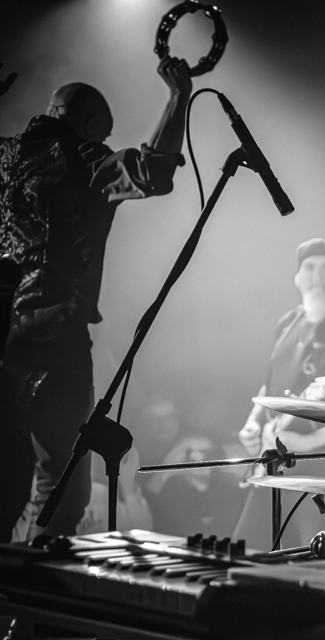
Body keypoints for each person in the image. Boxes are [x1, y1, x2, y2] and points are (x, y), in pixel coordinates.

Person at [1, 58, 191, 542]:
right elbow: (154, 171)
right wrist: (178, 97)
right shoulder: (82, 160)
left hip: (4, 338)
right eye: (103, 134)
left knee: (7, 481)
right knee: (61, 489)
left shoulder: (4, 156)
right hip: (53, 335)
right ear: (87, 124)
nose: (104, 142)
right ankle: (35, 587)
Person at [233, 238, 325, 550]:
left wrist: (308, 443)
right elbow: (269, 387)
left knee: (314, 555)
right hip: (275, 461)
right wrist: (253, 422)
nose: (317, 276)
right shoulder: (288, 323)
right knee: (249, 550)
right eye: (309, 267)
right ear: (297, 278)